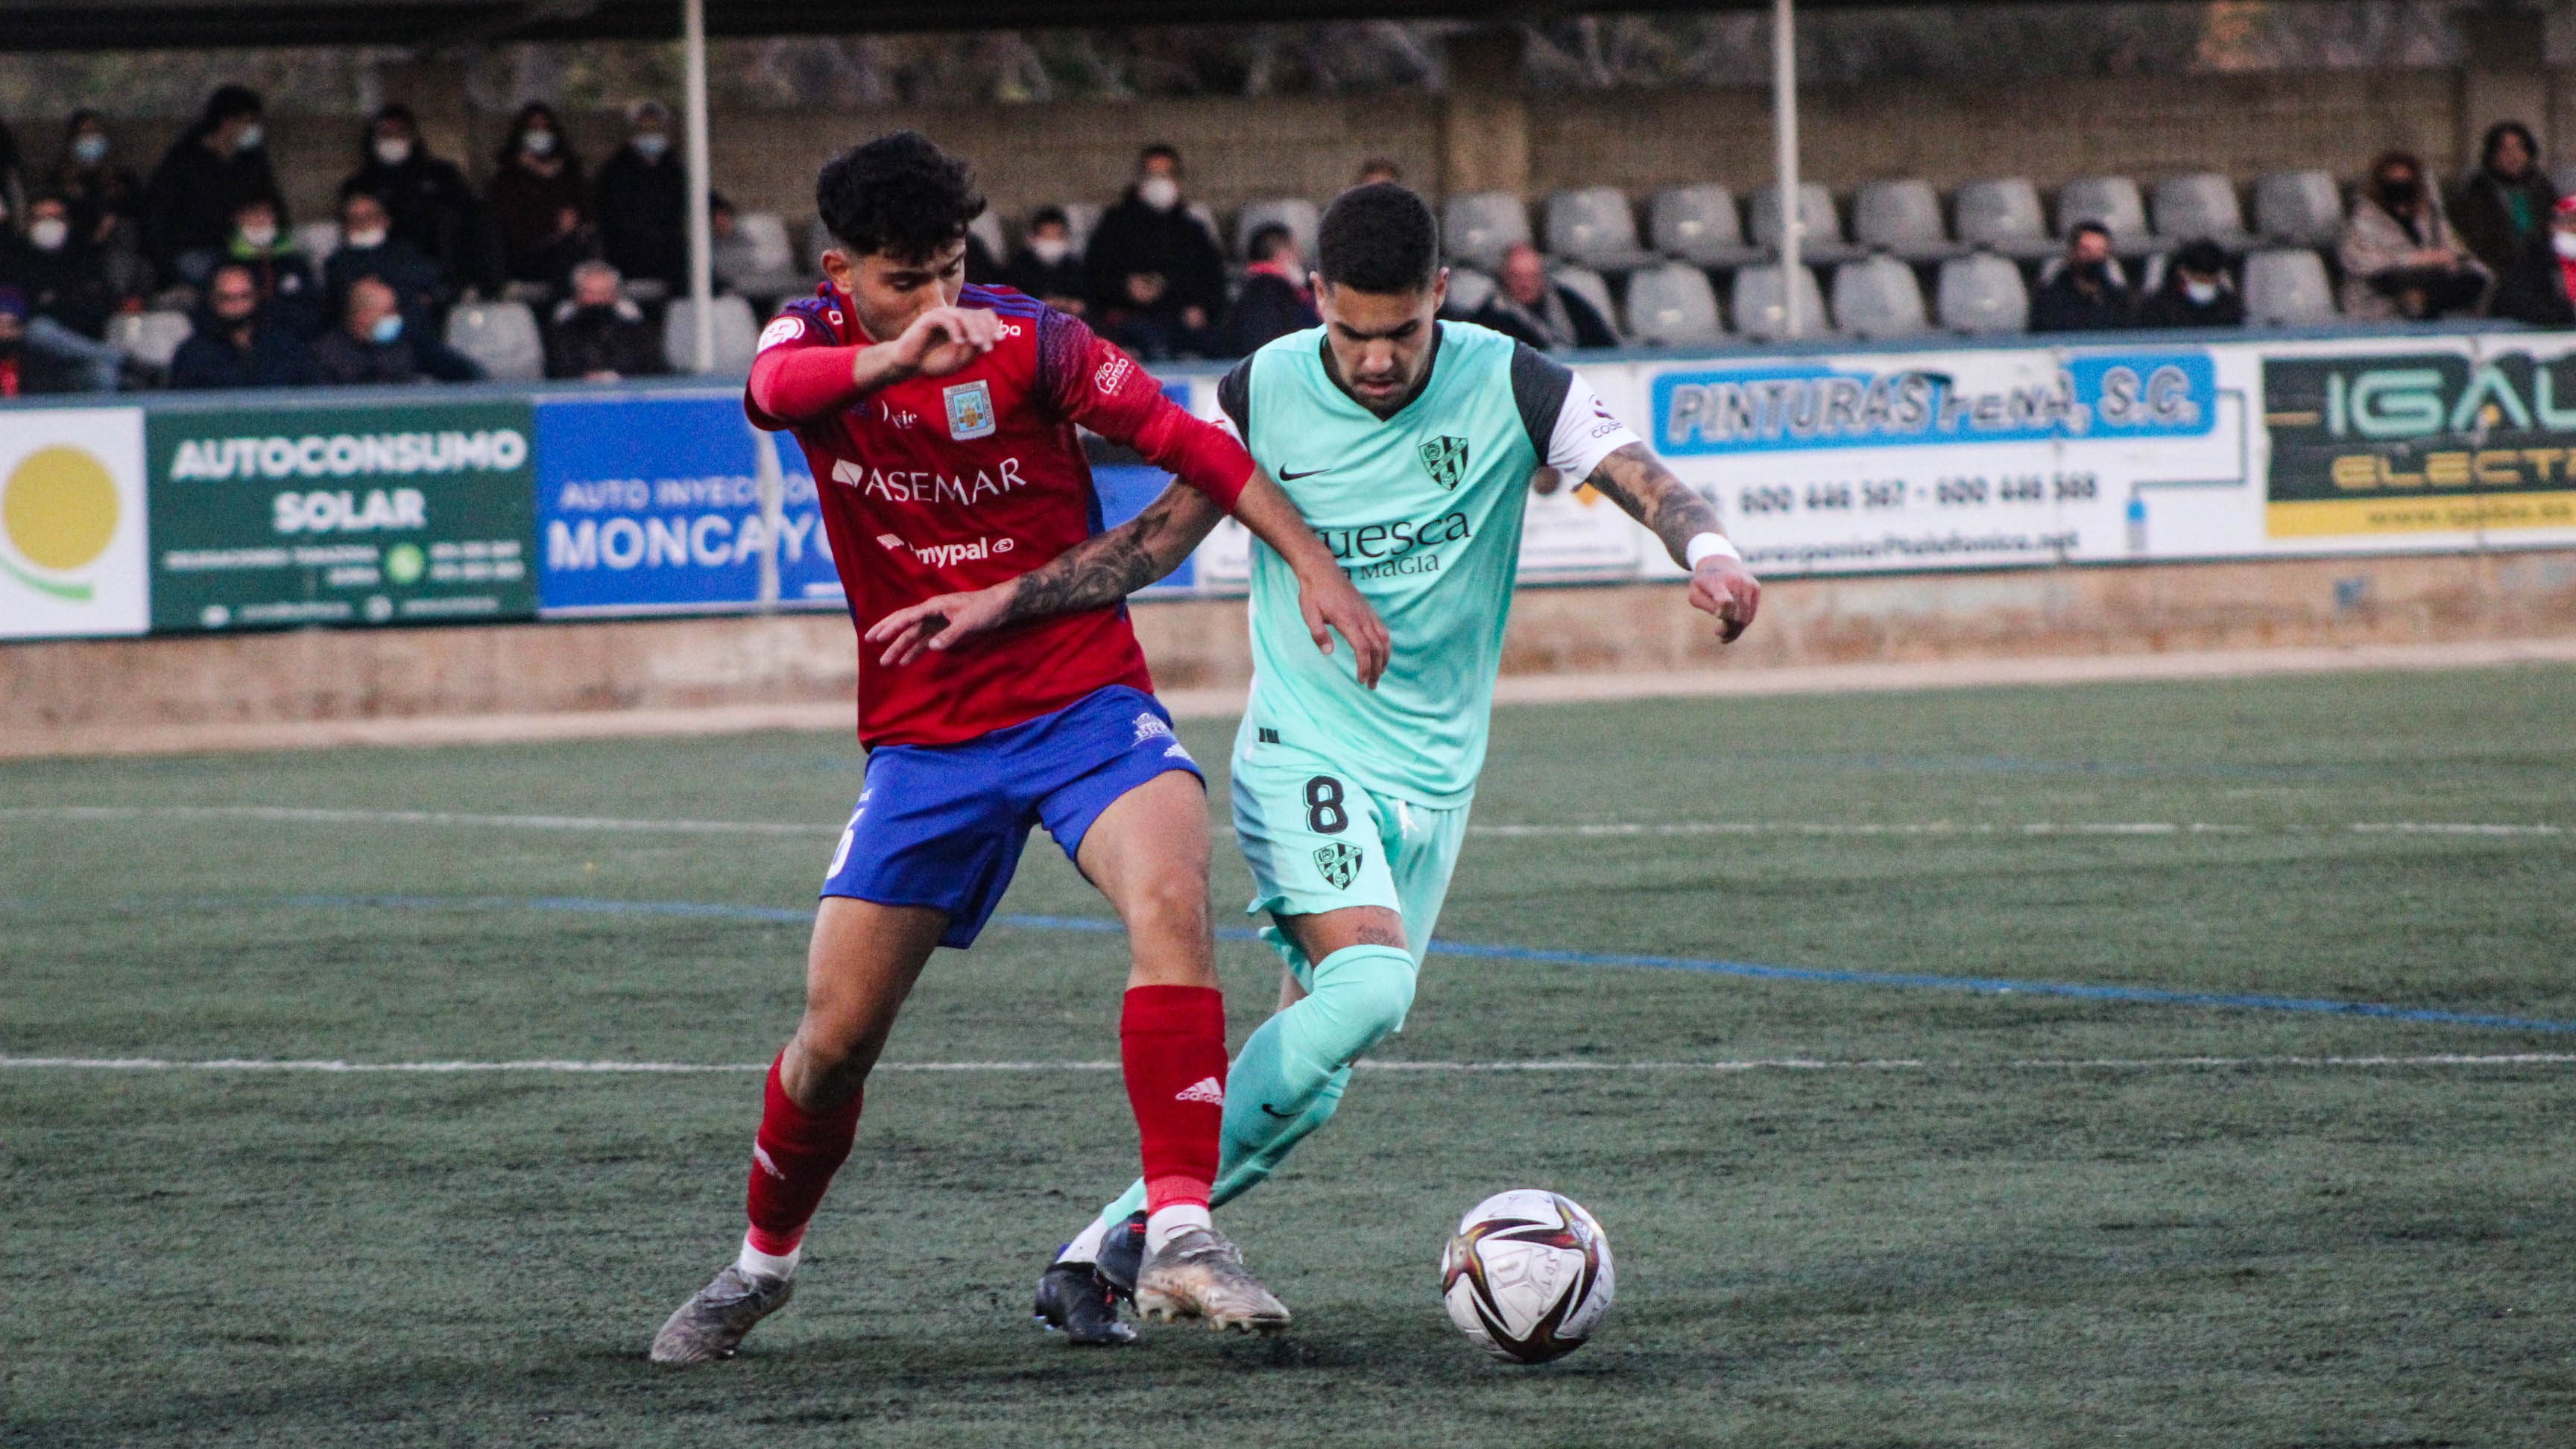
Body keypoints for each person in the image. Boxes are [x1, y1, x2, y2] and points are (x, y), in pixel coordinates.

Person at [866, 183, 1761, 1346]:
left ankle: (1102, 1250)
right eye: (1355, 332)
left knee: (1322, 1076)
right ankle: (1139, 1241)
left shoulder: (1512, 377)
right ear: (1318, 301)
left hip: (1438, 777)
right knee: (1376, 988)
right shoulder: (1265, 385)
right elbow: (1154, 542)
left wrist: (1715, 552)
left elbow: (1643, 475)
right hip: (1307, 748)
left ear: (1440, 295)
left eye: (1403, 333)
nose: (1379, 360)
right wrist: (1004, 604)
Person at [645, 130, 1386, 1367]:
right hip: (928, 736)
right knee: (834, 1039)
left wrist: (1310, 564)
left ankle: (1184, 1231)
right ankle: (758, 1268)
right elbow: (768, 398)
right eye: (902, 280)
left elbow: (1197, 449)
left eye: (949, 271)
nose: (938, 301)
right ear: (841, 272)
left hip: (1082, 696)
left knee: (1171, 888)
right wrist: (889, 355)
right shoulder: (807, 346)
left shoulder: (1037, 340)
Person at [1084, 144, 1226, 359]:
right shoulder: (1114, 227)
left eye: (1166, 175)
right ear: (1140, 180)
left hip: (1180, 321)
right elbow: (1093, 277)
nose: (1160, 182)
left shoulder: (1193, 231)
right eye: (1153, 175)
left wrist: (1201, 308)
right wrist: (1127, 288)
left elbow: (1213, 282)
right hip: (1129, 320)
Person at [338, 104, 493, 294]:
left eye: (399, 133)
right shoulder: (360, 185)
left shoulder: (442, 174)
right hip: (390, 260)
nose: (393, 139)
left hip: (440, 258)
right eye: (386, 133)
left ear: (412, 137)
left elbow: (466, 212)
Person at [142, 84, 282, 287]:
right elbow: (160, 220)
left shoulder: (252, 162)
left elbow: (273, 203)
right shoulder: (183, 163)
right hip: (199, 252)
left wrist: (263, 217)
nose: (255, 130)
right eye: (249, 122)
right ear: (228, 123)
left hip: (251, 248)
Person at [2340, 151, 2490, 321]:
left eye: (2406, 181)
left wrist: (2452, 260)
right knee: (2400, 279)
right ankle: (2417, 303)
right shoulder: (2363, 219)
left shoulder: (2430, 218)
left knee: (2473, 278)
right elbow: (2357, 261)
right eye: (2393, 182)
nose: (2400, 187)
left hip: (2429, 281)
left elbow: (2455, 249)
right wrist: (2413, 259)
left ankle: (2425, 303)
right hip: (2383, 288)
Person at [1, 197, 122, 392]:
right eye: (41, 218)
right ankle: (113, 355)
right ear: (29, 223)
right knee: (40, 329)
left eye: (55, 217)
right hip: (32, 357)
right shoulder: (14, 260)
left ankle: (105, 358)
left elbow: (99, 307)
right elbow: (17, 320)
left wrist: (55, 303)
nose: (49, 224)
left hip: (78, 352)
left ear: (67, 222)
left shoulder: (84, 258)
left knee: (103, 374)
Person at [2452, 121, 2563, 325]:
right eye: (2504, 149)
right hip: (2501, 274)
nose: (2513, 155)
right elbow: (2477, 240)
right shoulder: (2478, 192)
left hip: (2544, 268)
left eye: (2518, 148)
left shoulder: (2542, 187)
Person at [485, 102, 590, 289]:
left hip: (567, 250)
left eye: (545, 128)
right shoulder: (508, 177)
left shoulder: (569, 172)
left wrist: (576, 223)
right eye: (534, 128)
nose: (541, 133)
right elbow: (509, 222)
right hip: (526, 256)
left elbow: (586, 209)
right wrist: (553, 225)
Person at [168, 260, 319, 389]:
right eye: (227, 298)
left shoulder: (286, 348)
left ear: (256, 297)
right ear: (213, 300)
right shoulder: (193, 355)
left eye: (244, 296)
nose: (237, 305)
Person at [311, 274, 481, 386]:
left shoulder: (409, 344)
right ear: (362, 316)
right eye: (387, 312)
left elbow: (465, 372)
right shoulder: (327, 355)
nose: (395, 317)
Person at [594, 100, 686, 294]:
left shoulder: (673, 169)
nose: (651, 135)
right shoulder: (615, 170)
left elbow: (694, 194)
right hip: (628, 252)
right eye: (644, 129)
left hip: (667, 252)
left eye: (656, 129)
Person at [323, 189, 450, 329]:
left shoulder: (406, 253)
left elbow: (434, 289)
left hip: (412, 330)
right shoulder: (337, 263)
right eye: (354, 218)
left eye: (369, 217)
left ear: (385, 220)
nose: (362, 224)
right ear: (346, 226)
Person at [1467, 241, 1617, 350]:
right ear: (1504, 277)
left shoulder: (1568, 301)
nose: (1525, 284)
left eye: (1532, 276)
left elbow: (1605, 344)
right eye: (1517, 277)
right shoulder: (1490, 316)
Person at [220, 194, 322, 337]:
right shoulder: (225, 265)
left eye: (266, 213)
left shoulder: (295, 263)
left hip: (294, 341)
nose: (260, 221)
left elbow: (313, 309)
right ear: (238, 219)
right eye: (252, 214)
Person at [545, 259, 663, 380]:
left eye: (604, 293)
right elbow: (560, 369)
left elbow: (647, 368)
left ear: (615, 295)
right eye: (590, 293)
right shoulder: (561, 333)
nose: (598, 300)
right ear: (577, 295)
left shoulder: (635, 332)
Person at [1218, 221, 1318, 356]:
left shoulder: (1253, 287)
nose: (1300, 255)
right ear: (1282, 254)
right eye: (1294, 250)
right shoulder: (1273, 291)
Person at [2029, 222, 2137, 332]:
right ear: (2072, 253)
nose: (2094, 257)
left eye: (2100, 251)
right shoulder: (2050, 299)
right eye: (2086, 250)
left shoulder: (2118, 299)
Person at [999, 206, 1086, 315]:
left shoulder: (1073, 266)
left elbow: (1085, 299)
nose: (1052, 241)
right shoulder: (1019, 265)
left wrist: (1070, 304)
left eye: (1057, 235)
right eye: (1047, 235)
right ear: (1035, 236)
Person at [2139, 239, 2244, 328]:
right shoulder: (2159, 308)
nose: (2205, 285)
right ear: (2183, 273)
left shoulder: (2229, 307)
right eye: (2199, 279)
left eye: (2210, 280)